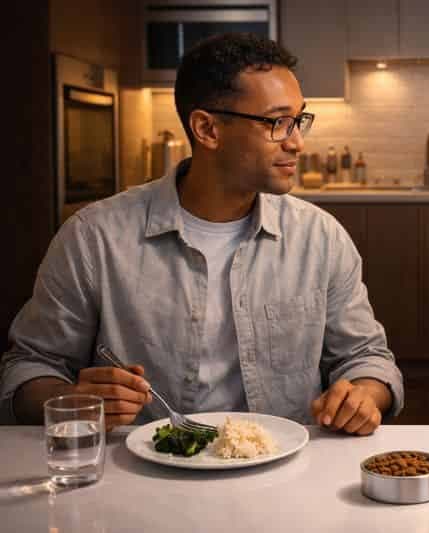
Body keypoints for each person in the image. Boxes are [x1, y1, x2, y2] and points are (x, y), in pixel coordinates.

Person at [0, 33, 403, 435]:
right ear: (207, 129)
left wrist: (363, 393)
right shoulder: (94, 238)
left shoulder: (320, 238)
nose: (297, 142)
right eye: (278, 123)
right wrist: (71, 399)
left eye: (299, 121)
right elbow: (28, 368)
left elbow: (367, 357)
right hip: (140, 478)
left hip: (285, 474)